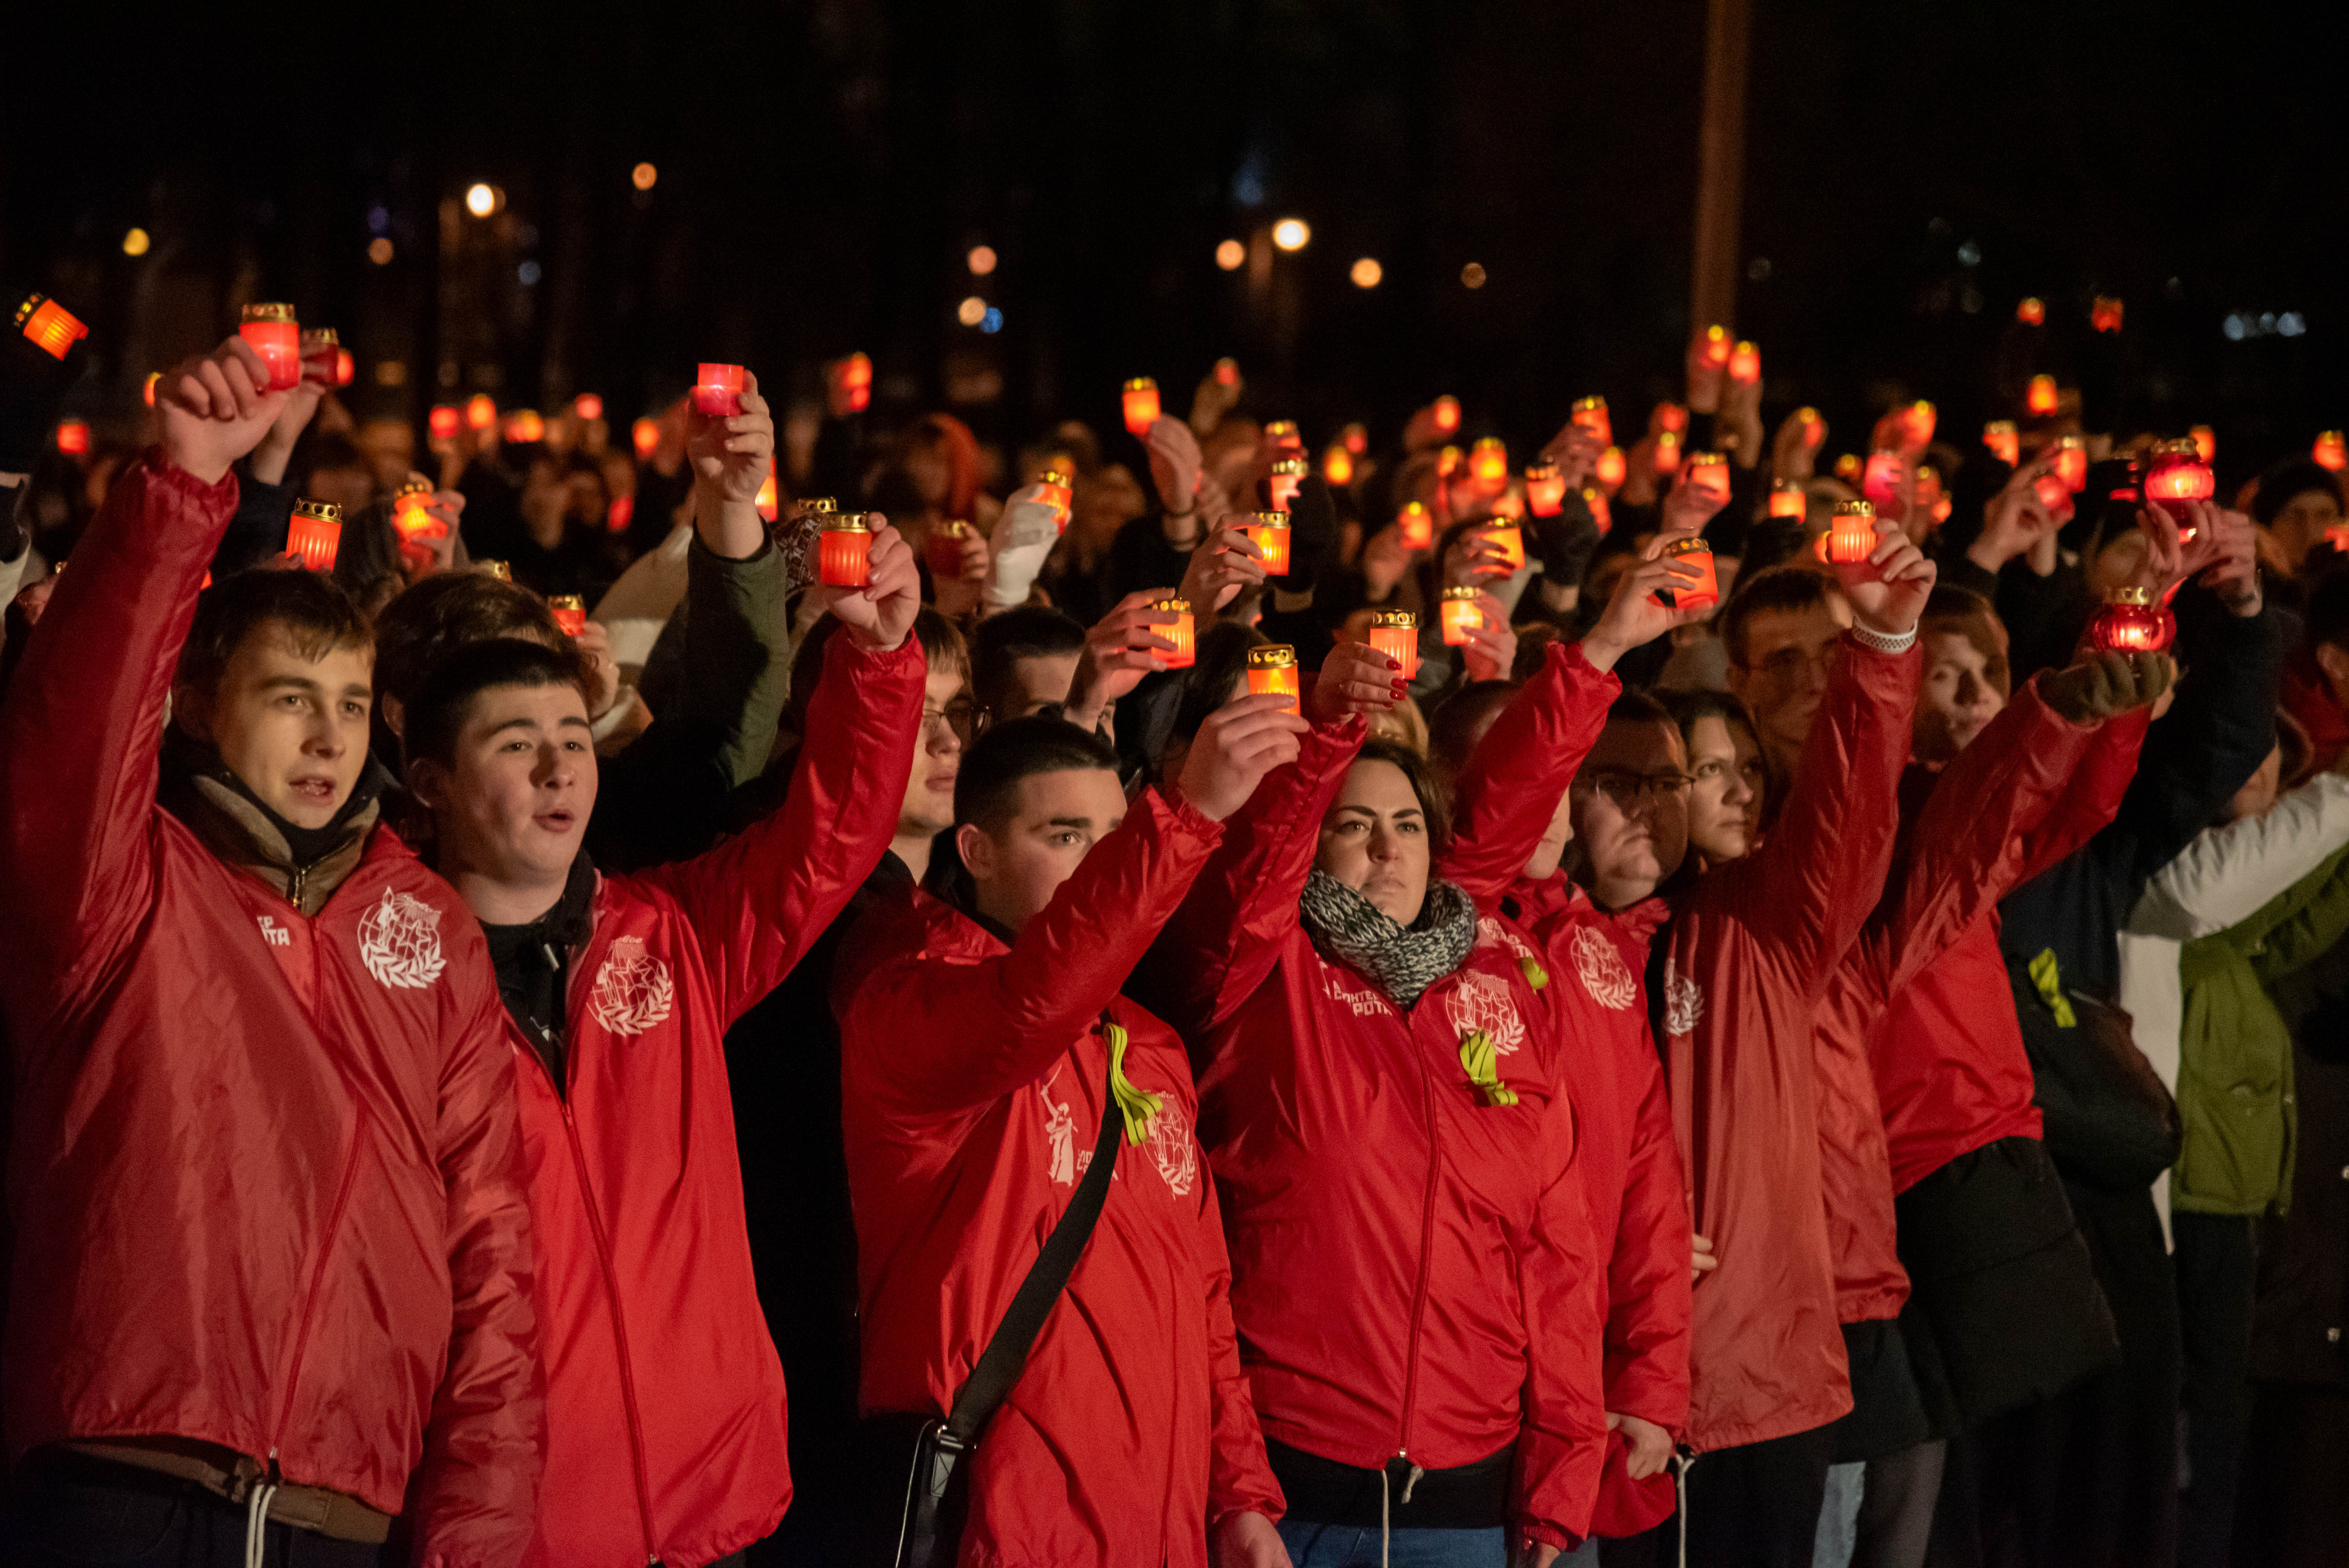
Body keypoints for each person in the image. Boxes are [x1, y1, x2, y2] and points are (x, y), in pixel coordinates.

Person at [0, 335, 544, 1567]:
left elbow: (492, 1251)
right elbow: (77, 721)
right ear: (198, 704)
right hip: (127, 1478)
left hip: (350, 1510)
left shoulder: (430, 925)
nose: (328, 736)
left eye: (352, 703)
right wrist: (183, 489)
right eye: (290, 696)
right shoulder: (121, 883)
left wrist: (480, 1532)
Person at [400, 371, 928, 1567]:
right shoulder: (384, 979)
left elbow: (833, 834)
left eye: (575, 740)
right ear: (428, 782)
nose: (558, 771)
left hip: (716, 1504)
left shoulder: (673, 936)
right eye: (515, 744)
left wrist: (885, 656)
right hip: (514, 1524)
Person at [1141, 578, 1700, 1566]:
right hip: (1292, 1495)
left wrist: (1559, 1473)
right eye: (1353, 826)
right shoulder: (1259, 977)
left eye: (1405, 824)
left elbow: (1555, 1252)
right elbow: (1249, 884)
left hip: (1466, 1501)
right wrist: (1323, 742)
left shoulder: (1495, 978)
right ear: (1310, 843)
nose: (1386, 846)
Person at [834, 702, 1303, 1567]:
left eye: (1114, 839)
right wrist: (1187, 815)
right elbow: (1030, 1004)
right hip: (1003, 1531)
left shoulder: (1149, 1045)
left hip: (1159, 1530)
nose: (1101, 866)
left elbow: (1203, 1298)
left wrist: (1238, 1496)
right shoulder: (910, 1003)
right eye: (1066, 836)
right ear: (974, 852)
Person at [1808, 584, 2169, 1568]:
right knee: (1909, 1484)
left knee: (1972, 1473)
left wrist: (2111, 703)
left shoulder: (1950, 812)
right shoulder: (1890, 825)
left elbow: (2063, 808)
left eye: (1989, 677)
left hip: (1980, 1163)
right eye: (1947, 673)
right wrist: (2059, 712)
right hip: (1895, 1177)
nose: (1971, 694)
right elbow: (2008, 792)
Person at [727, 608, 972, 1567]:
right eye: (920, 708)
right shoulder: (785, 898)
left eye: (962, 710)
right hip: (801, 1337)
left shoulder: (961, 898)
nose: (948, 739)